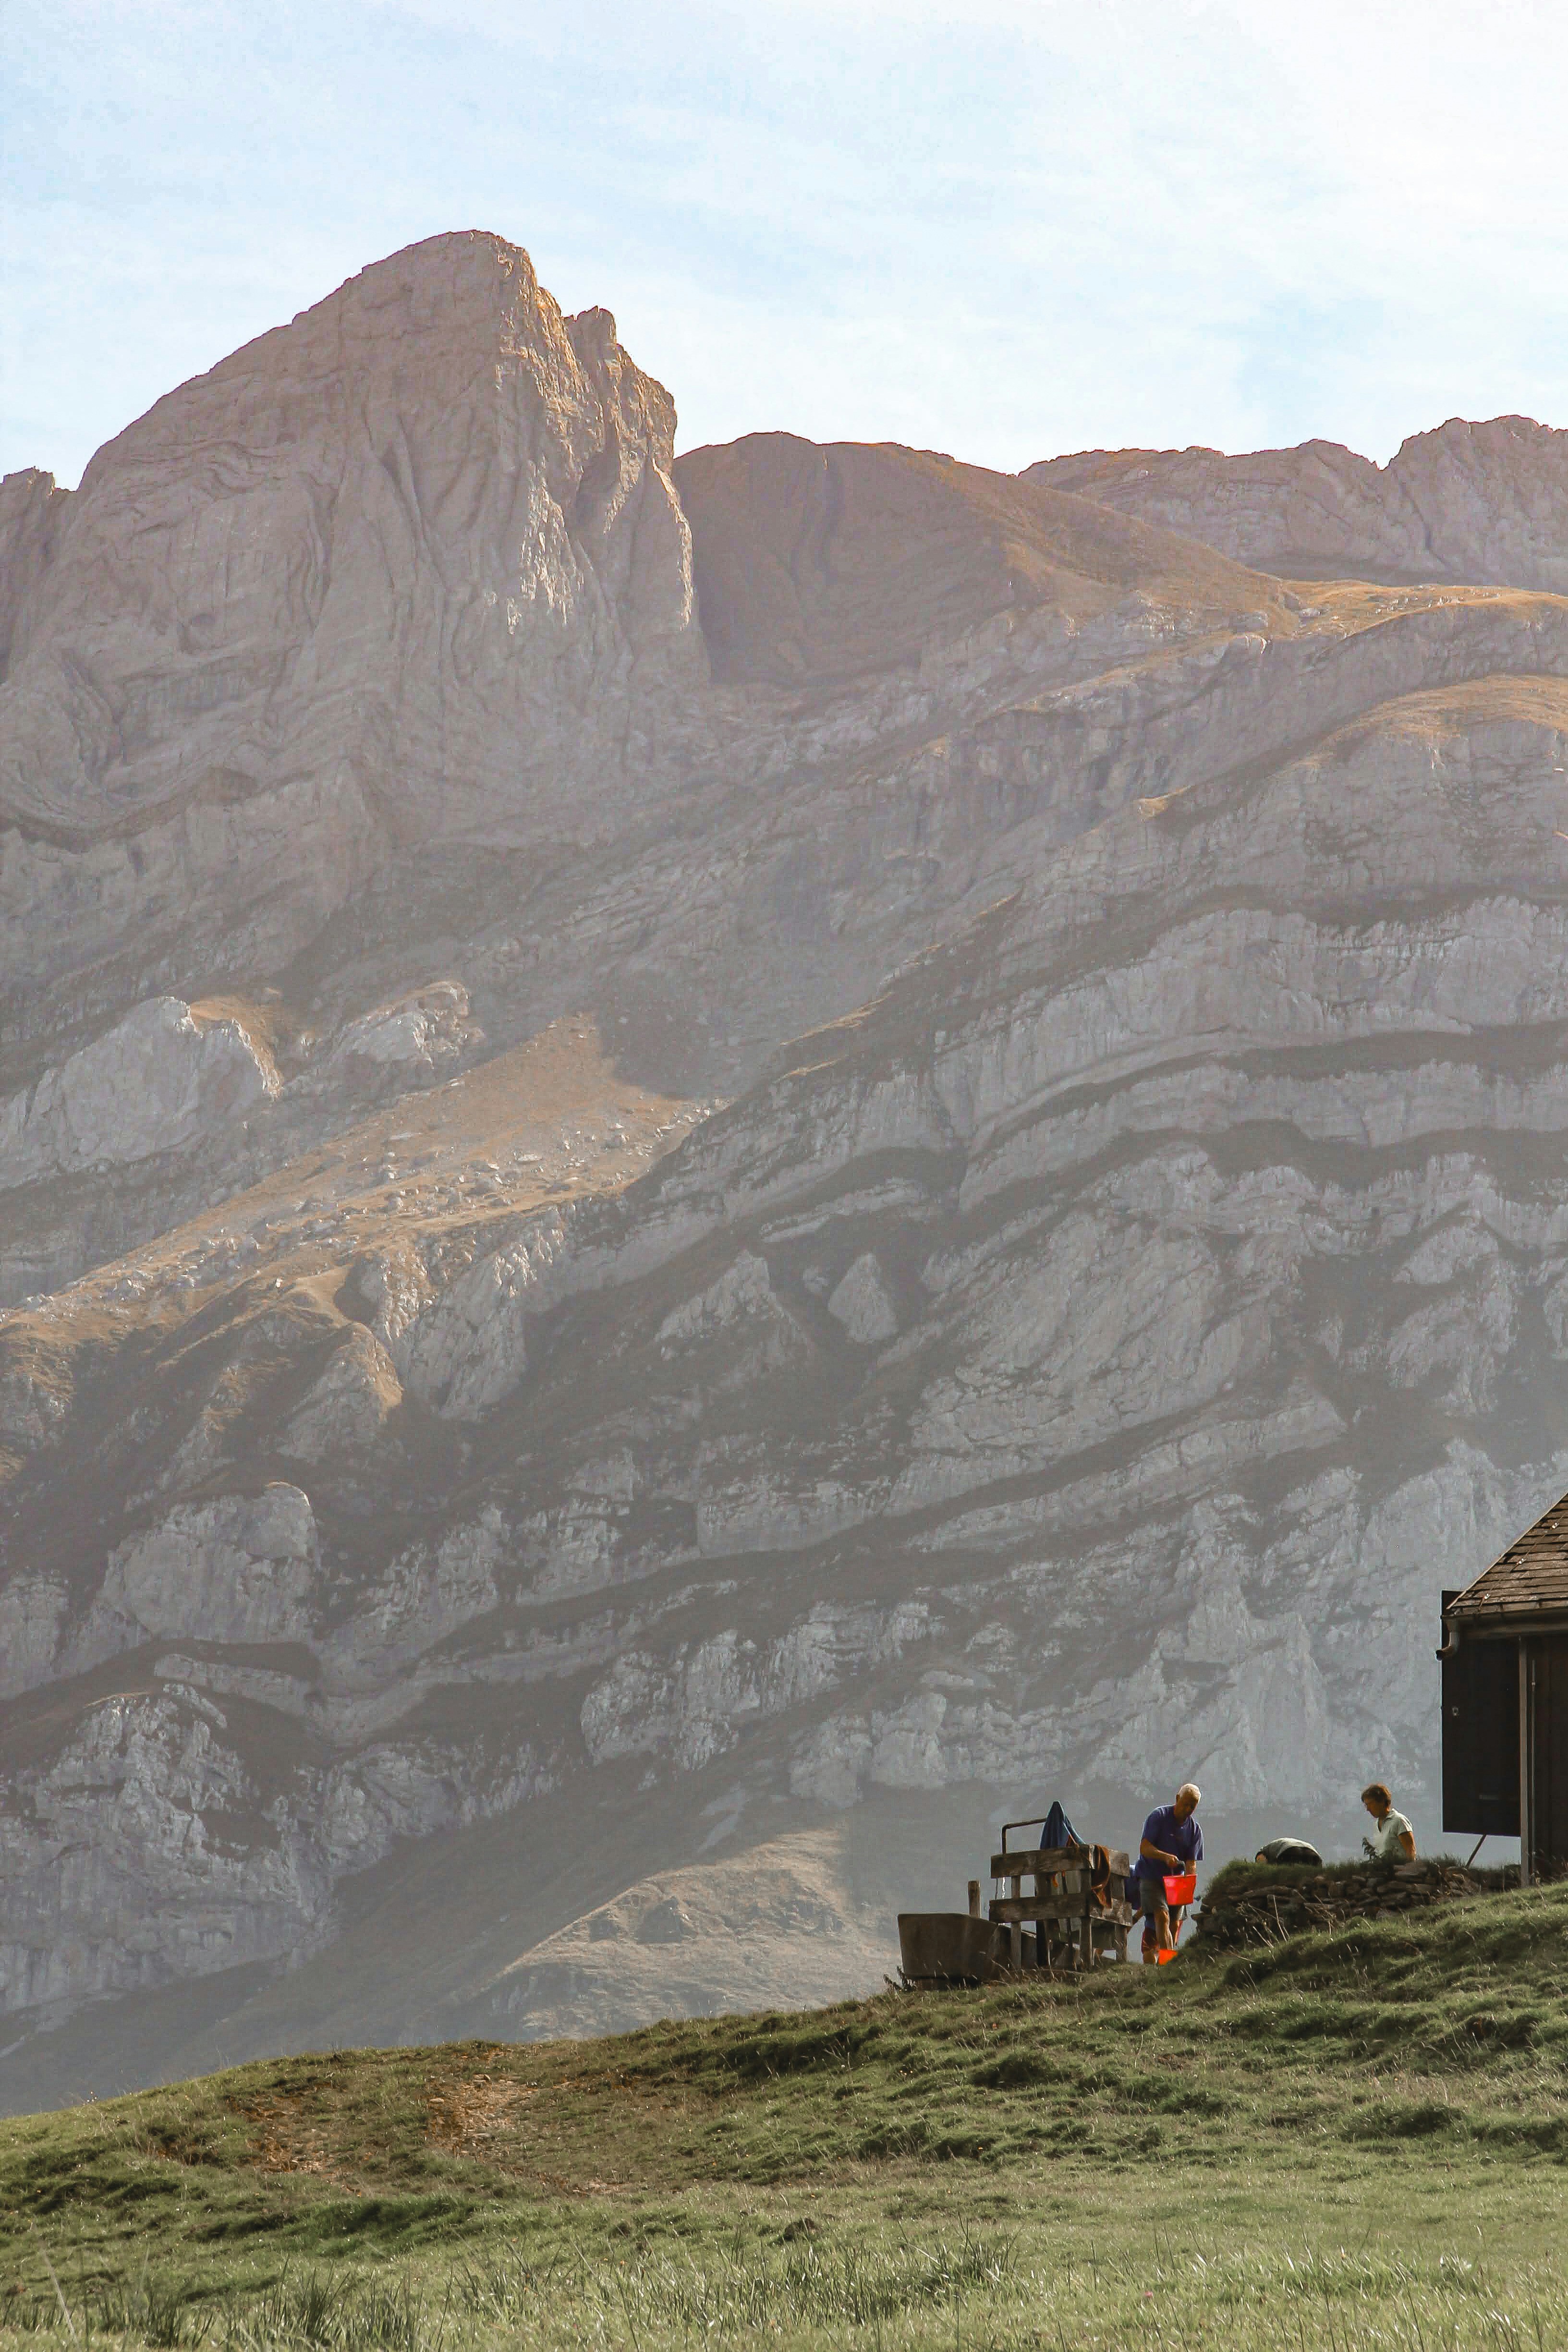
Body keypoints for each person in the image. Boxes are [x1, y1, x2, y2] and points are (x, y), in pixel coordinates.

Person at [1133, 1782, 1203, 1958]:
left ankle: (1166, 1960)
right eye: (1185, 1804)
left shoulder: (1194, 1830)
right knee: (1162, 1916)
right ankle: (1168, 1963)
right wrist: (1164, 1857)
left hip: (1176, 1881)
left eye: (1193, 1806)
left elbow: (1191, 1862)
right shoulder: (1159, 1817)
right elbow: (1145, 1848)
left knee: (1174, 1923)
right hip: (1151, 1877)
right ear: (1177, 1799)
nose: (1188, 1809)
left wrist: (1190, 1882)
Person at [1360, 1782, 1415, 1860]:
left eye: (1370, 1804)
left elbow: (1411, 1851)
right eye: (1366, 1805)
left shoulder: (1399, 1820)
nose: (1368, 1809)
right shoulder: (1376, 1825)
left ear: (1382, 1802)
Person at [1255, 1837, 1323, 1866]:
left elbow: (1261, 1861)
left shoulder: (1264, 1851)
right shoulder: (1273, 1846)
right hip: (1311, 1851)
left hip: (1289, 1850)